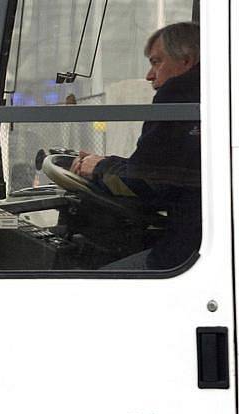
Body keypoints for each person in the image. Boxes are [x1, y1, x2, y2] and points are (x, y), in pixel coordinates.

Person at [70, 22, 200, 269]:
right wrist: (107, 163)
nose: (150, 75)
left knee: (91, 286)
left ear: (186, 61)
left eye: (156, 62)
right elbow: (165, 171)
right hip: (201, 240)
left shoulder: (179, 94)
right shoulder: (210, 93)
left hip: (186, 253)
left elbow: (147, 182)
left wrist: (99, 169)